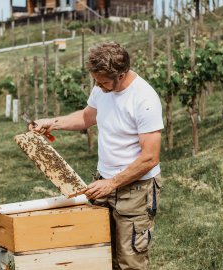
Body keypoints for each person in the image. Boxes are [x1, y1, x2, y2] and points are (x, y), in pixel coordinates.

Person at [30, 42, 163, 270]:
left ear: (120, 75)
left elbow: (150, 157)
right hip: (103, 182)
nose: (97, 86)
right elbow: (86, 117)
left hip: (135, 190)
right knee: (99, 254)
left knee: (130, 261)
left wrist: (112, 183)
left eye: (102, 81)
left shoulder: (144, 99)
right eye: (95, 80)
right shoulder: (102, 88)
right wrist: (52, 123)